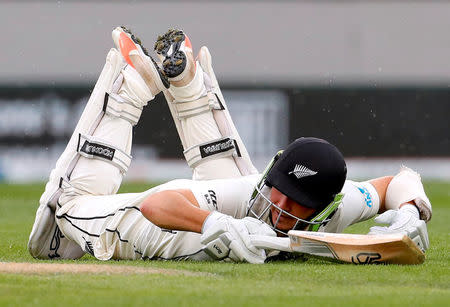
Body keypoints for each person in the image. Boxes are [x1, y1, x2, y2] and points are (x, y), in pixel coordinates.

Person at [28, 27, 432, 263]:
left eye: (298, 205)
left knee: (248, 227)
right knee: (67, 213)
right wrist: (209, 222)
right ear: (273, 176)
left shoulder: (336, 207)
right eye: (281, 192)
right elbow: (157, 204)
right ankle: (130, 86)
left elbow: (395, 181)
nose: (281, 208)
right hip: (142, 226)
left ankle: (189, 89)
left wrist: (412, 211)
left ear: (325, 208)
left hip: (215, 221)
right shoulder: (244, 193)